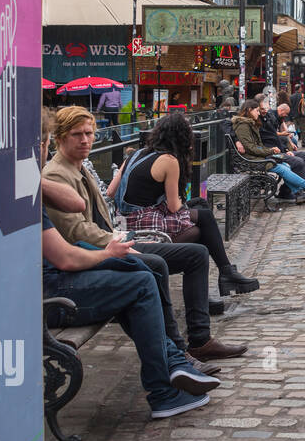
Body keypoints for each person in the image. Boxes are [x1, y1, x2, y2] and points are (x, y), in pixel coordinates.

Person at [42, 107, 242, 368]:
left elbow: (109, 197)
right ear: (58, 138)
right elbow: (76, 232)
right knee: (161, 262)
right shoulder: (57, 173)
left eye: (89, 133)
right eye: (76, 134)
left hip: (115, 235)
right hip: (91, 252)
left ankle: (200, 339)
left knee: (196, 253)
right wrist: (119, 242)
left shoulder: (83, 165)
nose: (85, 140)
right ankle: (179, 353)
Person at [42, 211, 220, 419]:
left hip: (51, 278)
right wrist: (108, 253)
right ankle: (165, 387)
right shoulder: (20, 192)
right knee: (140, 283)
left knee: (137, 273)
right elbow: (66, 258)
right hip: (47, 293)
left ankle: (174, 362)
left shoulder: (26, 188)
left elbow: (73, 203)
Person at [114, 112, 261, 306]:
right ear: (181, 137)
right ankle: (222, 277)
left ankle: (222, 278)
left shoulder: (134, 154)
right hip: (144, 224)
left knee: (200, 206)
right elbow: (174, 206)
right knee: (203, 222)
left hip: (123, 220)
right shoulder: (169, 160)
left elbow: (110, 191)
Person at [232, 100, 305, 203]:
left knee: (285, 166)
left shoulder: (250, 123)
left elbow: (257, 145)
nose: (259, 113)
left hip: (259, 156)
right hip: (252, 159)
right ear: (250, 110)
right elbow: (251, 147)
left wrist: (275, 150)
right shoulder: (243, 125)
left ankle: (300, 193)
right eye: (257, 111)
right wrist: (270, 151)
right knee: (284, 167)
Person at [261, 101, 305, 182]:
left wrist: (289, 146)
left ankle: (303, 183)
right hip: (272, 153)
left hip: (278, 149)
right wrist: (284, 150)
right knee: (298, 161)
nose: (286, 115)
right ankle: (302, 185)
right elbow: (273, 136)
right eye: (262, 109)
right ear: (281, 110)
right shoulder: (268, 118)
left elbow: (280, 132)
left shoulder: (273, 117)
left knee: (304, 154)